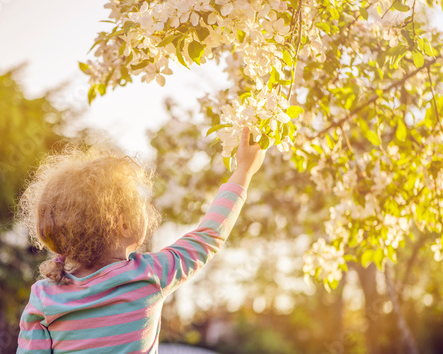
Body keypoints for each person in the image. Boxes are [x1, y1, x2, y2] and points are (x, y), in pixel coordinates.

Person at [16, 127, 266, 353]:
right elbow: (209, 234)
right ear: (123, 224)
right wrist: (244, 170)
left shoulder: (44, 296)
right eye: (140, 201)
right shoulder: (150, 275)